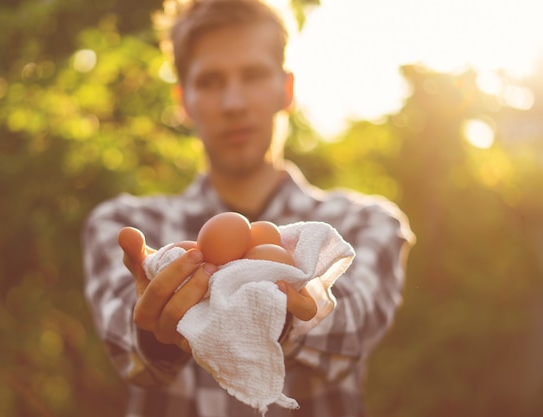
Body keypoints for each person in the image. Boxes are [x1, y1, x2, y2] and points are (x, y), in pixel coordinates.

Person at [81, 0, 415, 416]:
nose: (234, 102)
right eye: (211, 81)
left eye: (253, 75)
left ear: (286, 89)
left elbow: (350, 334)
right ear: (184, 101)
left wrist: (288, 315)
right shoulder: (130, 228)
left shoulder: (362, 226)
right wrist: (154, 336)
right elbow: (129, 354)